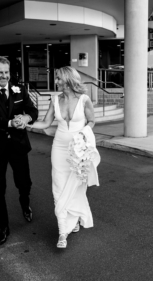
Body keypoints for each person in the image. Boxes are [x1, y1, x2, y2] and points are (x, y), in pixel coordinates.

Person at [27, 66, 100, 249]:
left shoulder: (84, 99)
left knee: (76, 187)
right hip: (59, 148)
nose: (56, 82)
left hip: (78, 149)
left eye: (59, 78)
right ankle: (62, 232)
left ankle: (73, 218)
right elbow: (45, 123)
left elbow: (91, 121)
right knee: (59, 186)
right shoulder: (55, 99)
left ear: (68, 79)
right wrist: (27, 124)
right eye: (56, 78)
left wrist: (84, 132)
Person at [0, 56, 38, 246]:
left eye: (6, 72)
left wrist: (27, 118)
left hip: (18, 144)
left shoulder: (20, 89)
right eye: (0, 72)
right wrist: (11, 122)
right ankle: (3, 227)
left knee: (24, 182)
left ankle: (24, 203)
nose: (4, 76)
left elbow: (33, 110)